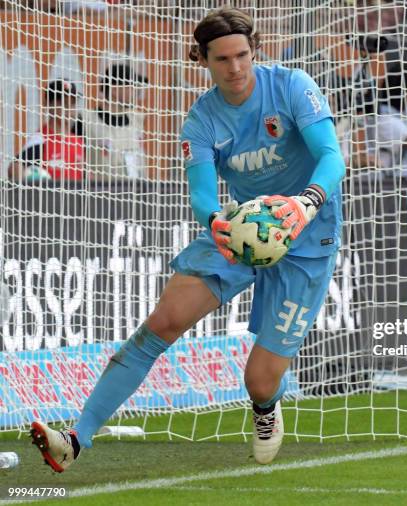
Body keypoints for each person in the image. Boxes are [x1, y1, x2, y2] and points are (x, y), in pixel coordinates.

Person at [30, 6, 345, 471]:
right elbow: (201, 195)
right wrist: (215, 219)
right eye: (222, 59)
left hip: (307, 236)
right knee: (162, 323)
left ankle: (265, 406)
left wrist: (307, 203)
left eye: (242, 55)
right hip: (240, 233)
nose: (235, 68)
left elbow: (332, 156)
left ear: (254, 51)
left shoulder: (293, 86)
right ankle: (77, 439)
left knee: (259, 382)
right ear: (203, 60)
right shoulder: (200, 121)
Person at [7, 80, 85, 182]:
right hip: (51, 197)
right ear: (50, 105)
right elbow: (14, 168)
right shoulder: (40, 139)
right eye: (65, 104)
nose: (69, 109)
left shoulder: (78, 141)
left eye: (73, 103)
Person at [84, 63, 148, 180]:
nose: (135, 91)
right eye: (131, 85)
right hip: (100, 194)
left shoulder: (137, 120)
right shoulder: (86, 121)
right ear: (113, 89)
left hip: (136, 193)